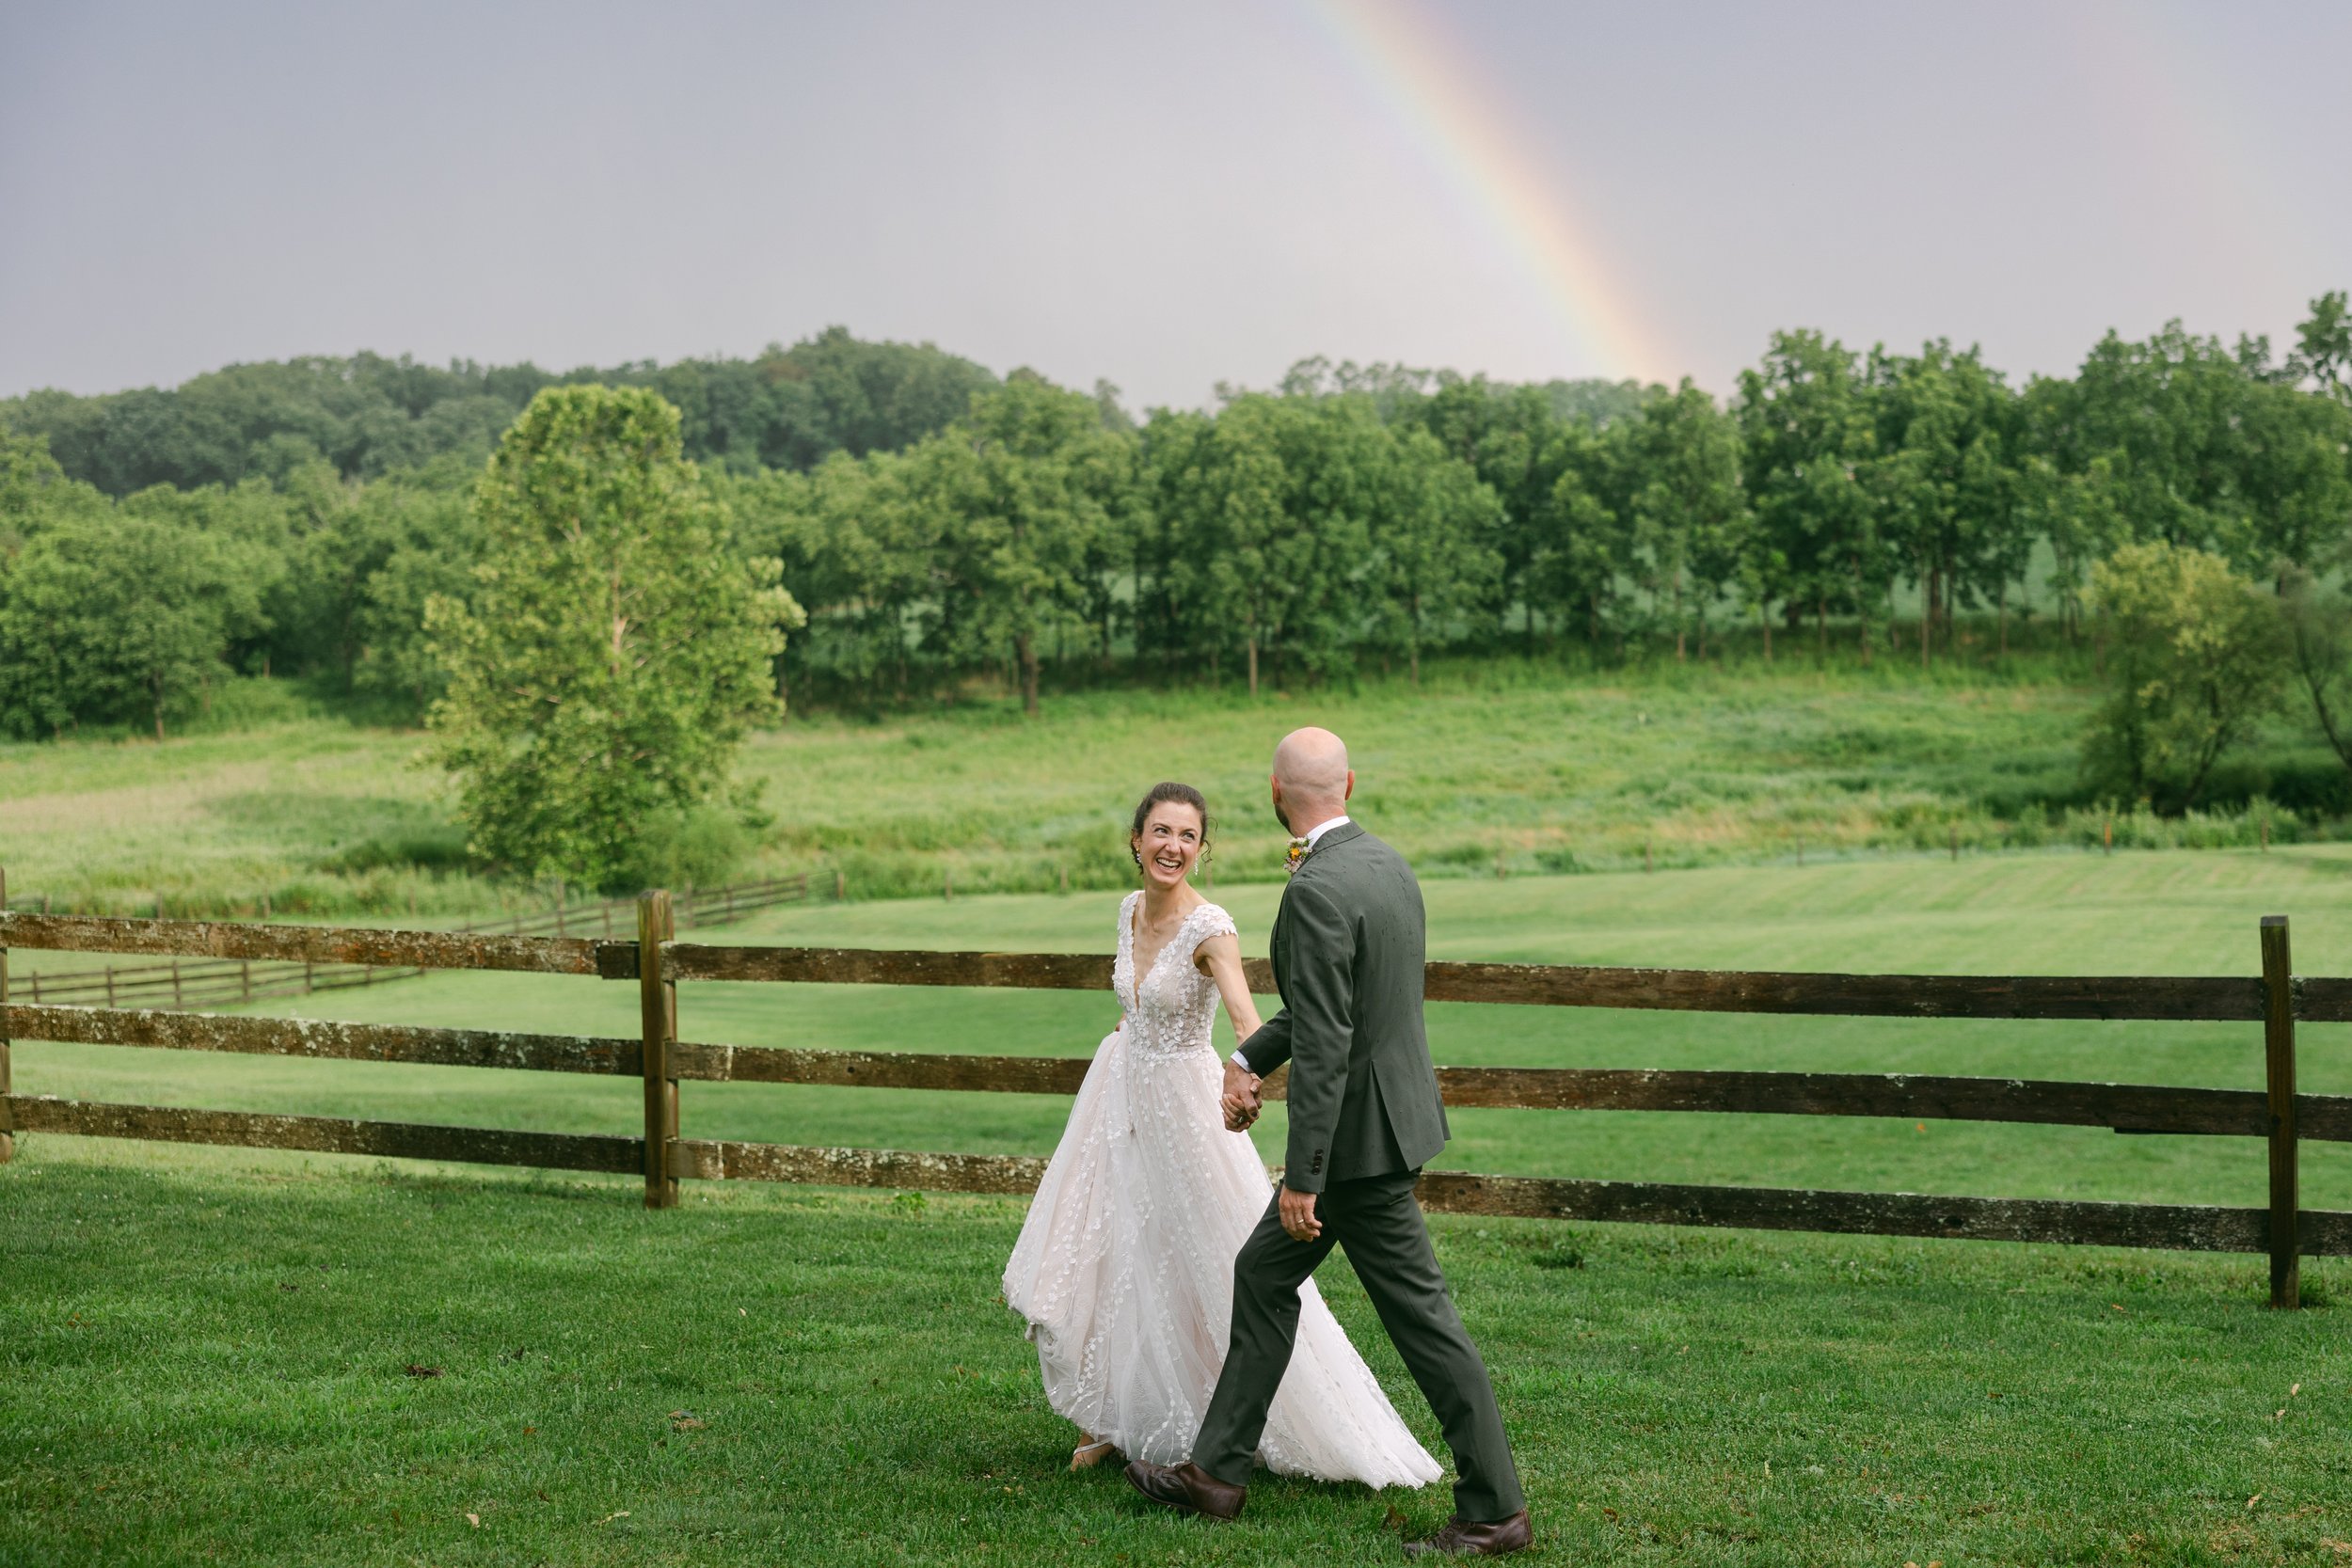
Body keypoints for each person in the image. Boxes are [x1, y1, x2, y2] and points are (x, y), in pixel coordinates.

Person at [1123, 729, 1533, 1559]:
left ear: (1278, 793)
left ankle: (1494, 1510)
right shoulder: (1387, 865)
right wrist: (1244, 1056)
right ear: (1346, 783)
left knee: (1424, 1322)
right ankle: (1216, 1473)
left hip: (1355, 1149)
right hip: (1391, 1122)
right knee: (1263, 1274)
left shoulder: (1313, 892)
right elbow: (1332, 1012)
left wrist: (1303, 1176)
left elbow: (1331, 1042)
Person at [1001, 780, 1440, 1489]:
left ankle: (1225, 1422)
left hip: (1187, 1108)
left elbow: (1247, 1017)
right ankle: (1113, 1412)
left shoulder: (1213, 929)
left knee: (1202, 1252)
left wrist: (1245, 1075)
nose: (1173, 846)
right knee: (1119, 1246)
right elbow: (1138, 999)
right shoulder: (1126, 911)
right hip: (1120, 1098)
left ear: (1203, 851)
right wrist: (1131, 1034)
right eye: (1161, 832)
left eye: (1188, 836)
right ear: (1136, 840)